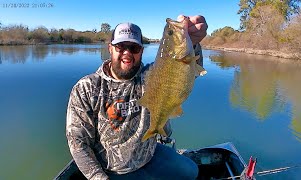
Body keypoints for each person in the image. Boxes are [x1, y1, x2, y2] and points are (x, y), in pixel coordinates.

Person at [66, 15, 208, 180]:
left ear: (141, 51)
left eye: (133, 48)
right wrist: (99, 178)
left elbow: (184, 73)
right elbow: (78, 143)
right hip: (113, 170)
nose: (127, 53)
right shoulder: (87, 88)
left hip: (150, 155)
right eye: (121, 46)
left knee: (190, 171)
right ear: (110, 48)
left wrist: (194, 44)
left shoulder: (151, 76)